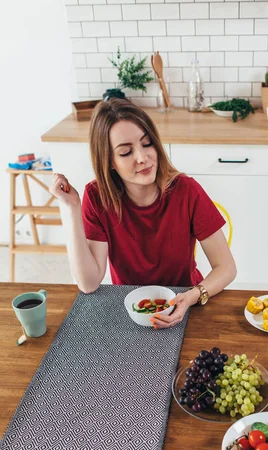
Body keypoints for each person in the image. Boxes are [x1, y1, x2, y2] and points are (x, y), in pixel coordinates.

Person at [50, 98, 236, 329]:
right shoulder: (97, 196)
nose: (142, 157)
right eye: (126, 152)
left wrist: (193, 296)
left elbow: (226, 268)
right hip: (130, 308)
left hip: (185, 303)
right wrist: (71, 209)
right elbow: (88, 283)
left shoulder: (187, 191)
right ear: (109, 161)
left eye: (147, 143)